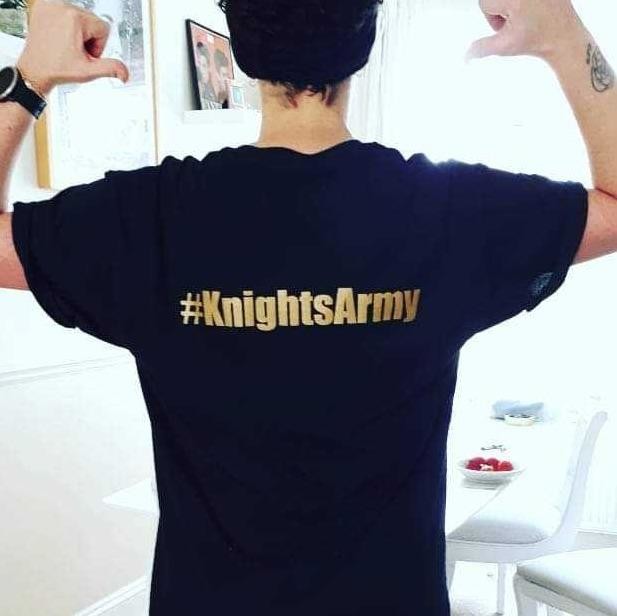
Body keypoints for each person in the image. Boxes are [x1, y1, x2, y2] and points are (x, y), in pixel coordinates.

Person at [0, 0, 615, 614]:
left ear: (241, 52)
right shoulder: (446, 210)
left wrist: (30, 78)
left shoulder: (150, 217)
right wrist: (565, 37)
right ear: (365, 45)